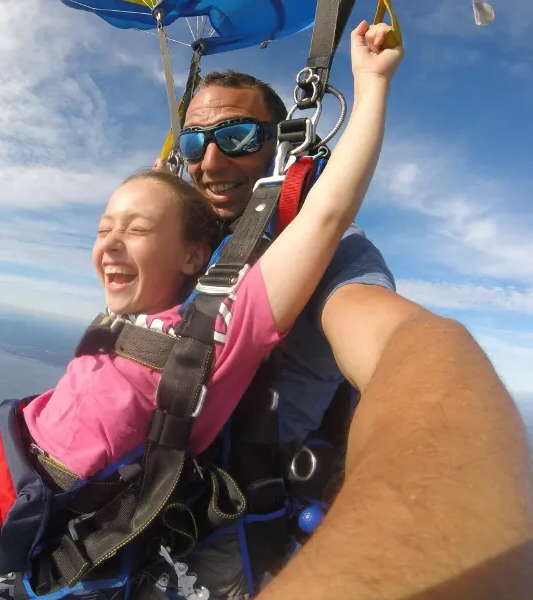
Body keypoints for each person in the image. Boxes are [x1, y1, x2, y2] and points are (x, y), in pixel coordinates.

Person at [155, 20, 533, 600]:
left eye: (235, 137)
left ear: (279, 144)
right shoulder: (189, 246)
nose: (209, 160)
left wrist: (443, 514)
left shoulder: (324, 250)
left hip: (233, 542)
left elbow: (402, 340)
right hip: (154, 508)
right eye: (192, 142)